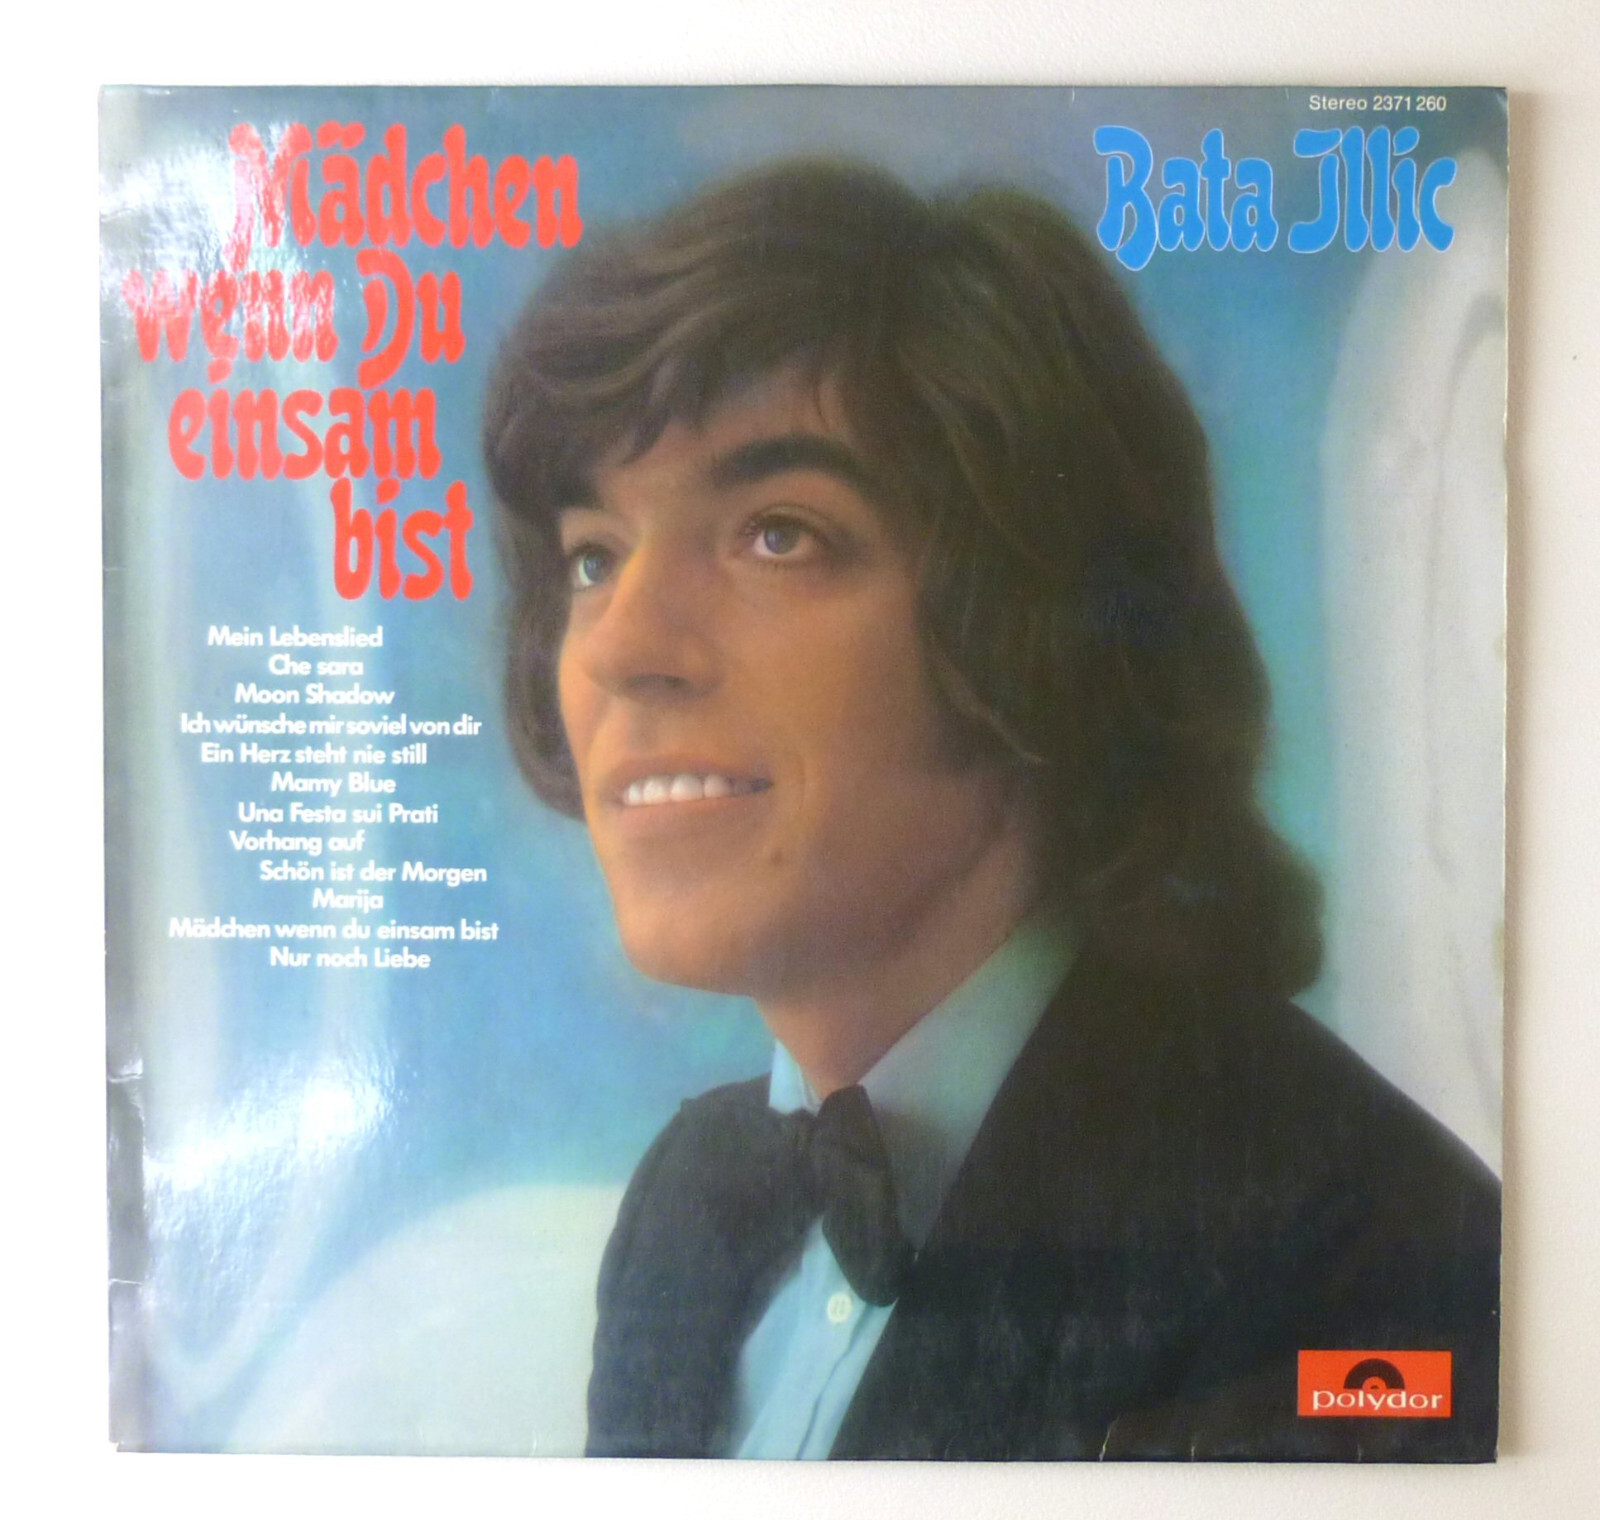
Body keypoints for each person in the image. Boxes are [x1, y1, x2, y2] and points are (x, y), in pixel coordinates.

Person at [483, 160, 1500, 1461]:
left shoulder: (1362, 1251)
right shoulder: (687, 1198)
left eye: (777, 534)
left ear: (1035, 627)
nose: (622, 645)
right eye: (593, 555)